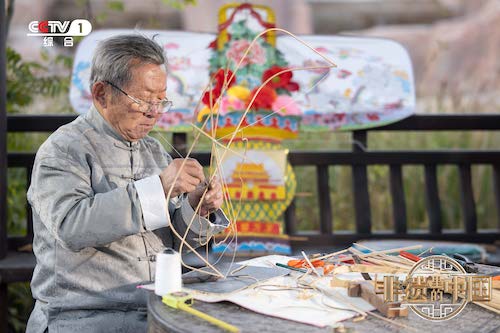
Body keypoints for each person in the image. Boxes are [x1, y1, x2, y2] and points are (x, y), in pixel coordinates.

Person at [26, 34, 229, 332]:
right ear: (102, 94)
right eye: (143, 100)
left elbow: (174, 240)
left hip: (153, 310)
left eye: (161, 101)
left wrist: (196, 208)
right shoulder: (64, 149)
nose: (154, 112)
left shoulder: (152, 150)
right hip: (83, 316)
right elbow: (71, 226)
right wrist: (158, 187)